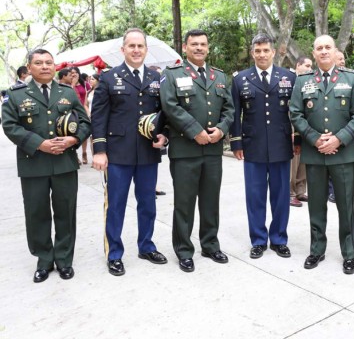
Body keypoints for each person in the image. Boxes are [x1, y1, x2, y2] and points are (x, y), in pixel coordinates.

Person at [1, 49, 91, 283]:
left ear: (54, 66)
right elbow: (10, 126)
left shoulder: (67, 93)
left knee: (65, 213)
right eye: (38, 63)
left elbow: (84, 122)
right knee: (37, 214)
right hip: (34, 164)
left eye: (49, 63)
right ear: (29, 67)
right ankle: (43, 260)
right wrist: (39, 144)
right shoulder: (16, 94)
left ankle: (63, 260)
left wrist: (74, 139)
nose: (45, 67)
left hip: (64, 163)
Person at [91, 28, 168, 276]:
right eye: (131, 46)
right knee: (116, 205)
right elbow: (99, 117)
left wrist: (164, 136)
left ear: (146, 49)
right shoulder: (109, 78)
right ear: (123, 49)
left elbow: (164, 114)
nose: (136, 50)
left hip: (147, 153)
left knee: (147, 204)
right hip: (118, 154)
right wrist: (100, 150)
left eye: (140, 46)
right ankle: (114, 253)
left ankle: (146, 245)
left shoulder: (157, 78)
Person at [290, 35, 354, 274]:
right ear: (313, 54)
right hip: (314, 154)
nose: (323, 51)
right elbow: (295, 113)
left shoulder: (351, 78)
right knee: (316, 207)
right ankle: (317, 250)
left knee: (345, 206)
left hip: (343, 154)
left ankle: (348, 253)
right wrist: (314, 138)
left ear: (335, 52)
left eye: (328, 47)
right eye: (319, 48)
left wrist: (338, 139)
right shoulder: (303, 80)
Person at [160, 29, 234, 273]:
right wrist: (195, 131)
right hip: (185, 150)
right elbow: (170, 106)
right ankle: (183, 250)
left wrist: (221, 130)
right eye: (194, 44)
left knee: (210, 201)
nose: (199, 48)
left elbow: (229, 110)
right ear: (185, 47)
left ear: (208, 47)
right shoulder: (172, 75)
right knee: (184, 202)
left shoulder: (219, 76)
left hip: (212, 150)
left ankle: (210, 245)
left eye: (203, 44)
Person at [230, 33, 295, 260]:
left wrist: (297, 140)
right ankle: (258, 240)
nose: (262, 54)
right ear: (252, 53)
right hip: (253, 146)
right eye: (257, 51)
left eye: (266, 50)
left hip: (281, 145)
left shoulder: (289, 77)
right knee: (255, 196)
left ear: (273, 52)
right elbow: (235, 113)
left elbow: (295, 113)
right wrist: (236, 142)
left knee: (280, 196)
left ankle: (279, 239)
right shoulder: (240, 79)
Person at [290, 56, 312, 207]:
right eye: (307, 66)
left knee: (303, 161)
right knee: (293, 161)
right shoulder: (289, 80)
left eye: (311, 66)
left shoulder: (308, 82)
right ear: (298, 65)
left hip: (305, 128)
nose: (310, 69)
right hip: (292, 128)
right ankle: (290, 193)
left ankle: (300, 190)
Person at [70, 67, 89, 164]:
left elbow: (89, 96)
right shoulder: (68, 85)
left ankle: (84, 153)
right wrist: (72, 84)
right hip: (72, 112)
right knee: (73, 132)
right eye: (71, 73)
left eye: (75, 72)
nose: (73, 74)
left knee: (84, 133)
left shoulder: (85, 84)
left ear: (78, 73)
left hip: (83, 111)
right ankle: (75, 154)